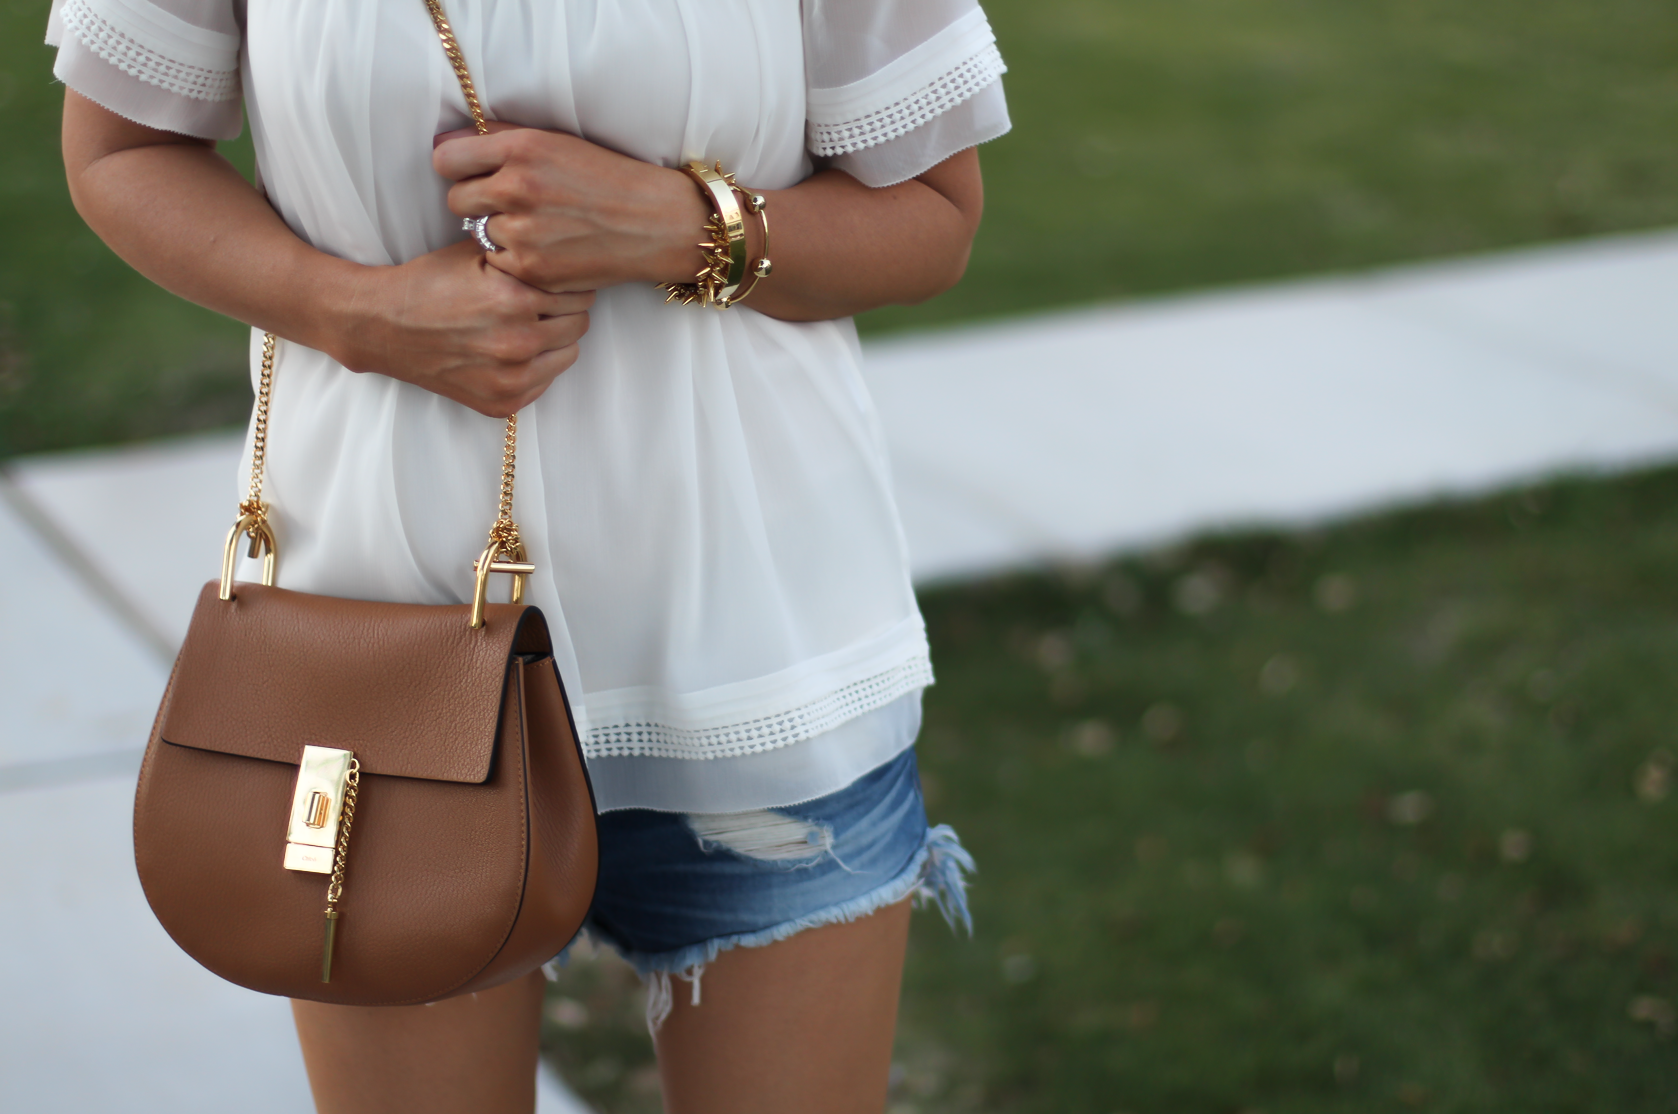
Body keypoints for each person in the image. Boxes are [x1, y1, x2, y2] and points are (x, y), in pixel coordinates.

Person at [50, 0, 1008, 1107]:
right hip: (377, 671)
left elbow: (932, 212)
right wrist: (355, 313)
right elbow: (120, 146)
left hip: (758, 665)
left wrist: (690, 227)